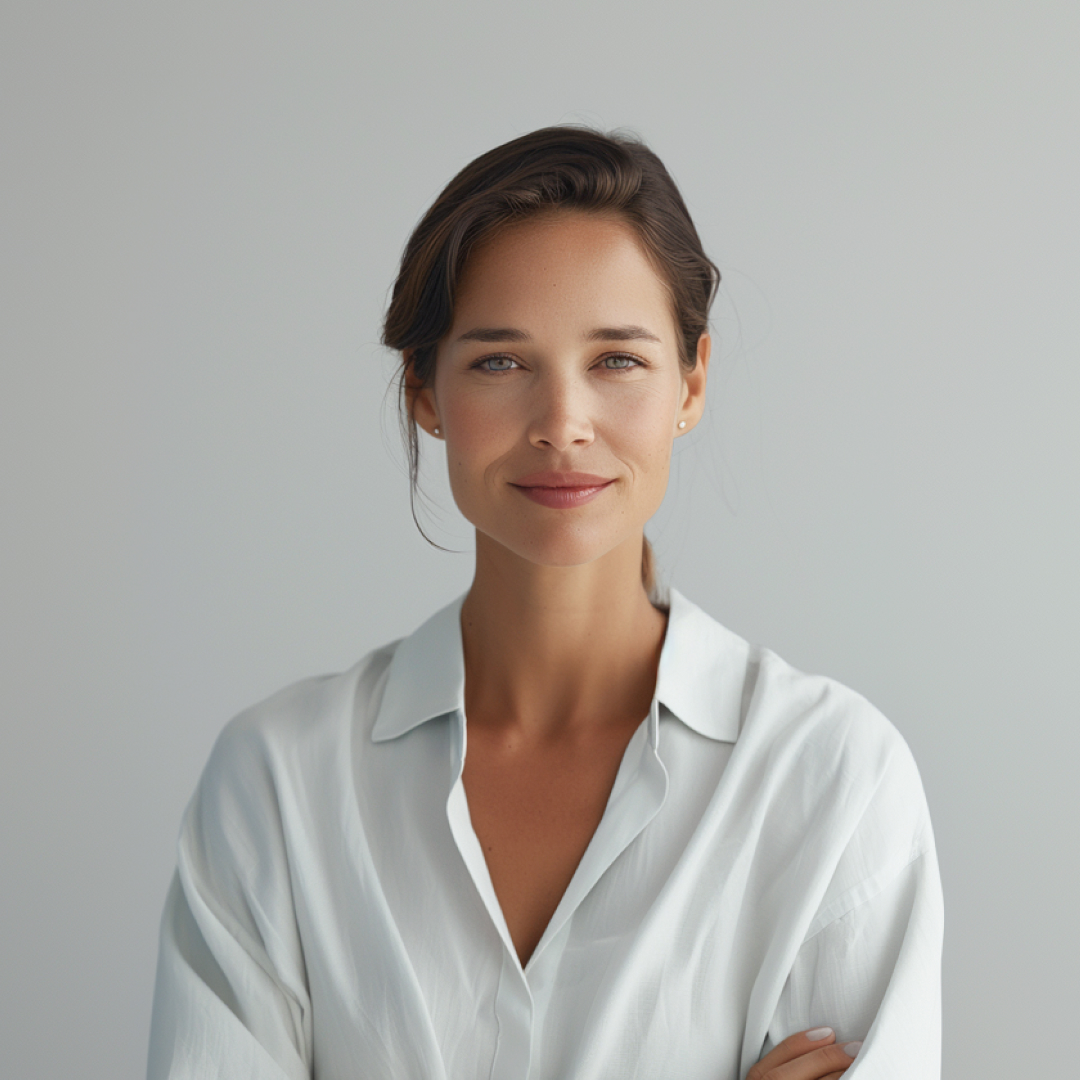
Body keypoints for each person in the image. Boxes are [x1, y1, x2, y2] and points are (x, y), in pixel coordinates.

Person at [147, 126, 943, 1080]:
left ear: (691, 381)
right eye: (499, 362)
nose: (562, 424)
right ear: (424, 390)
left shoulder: (831, 783)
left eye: (616, 360)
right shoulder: (276, 786)